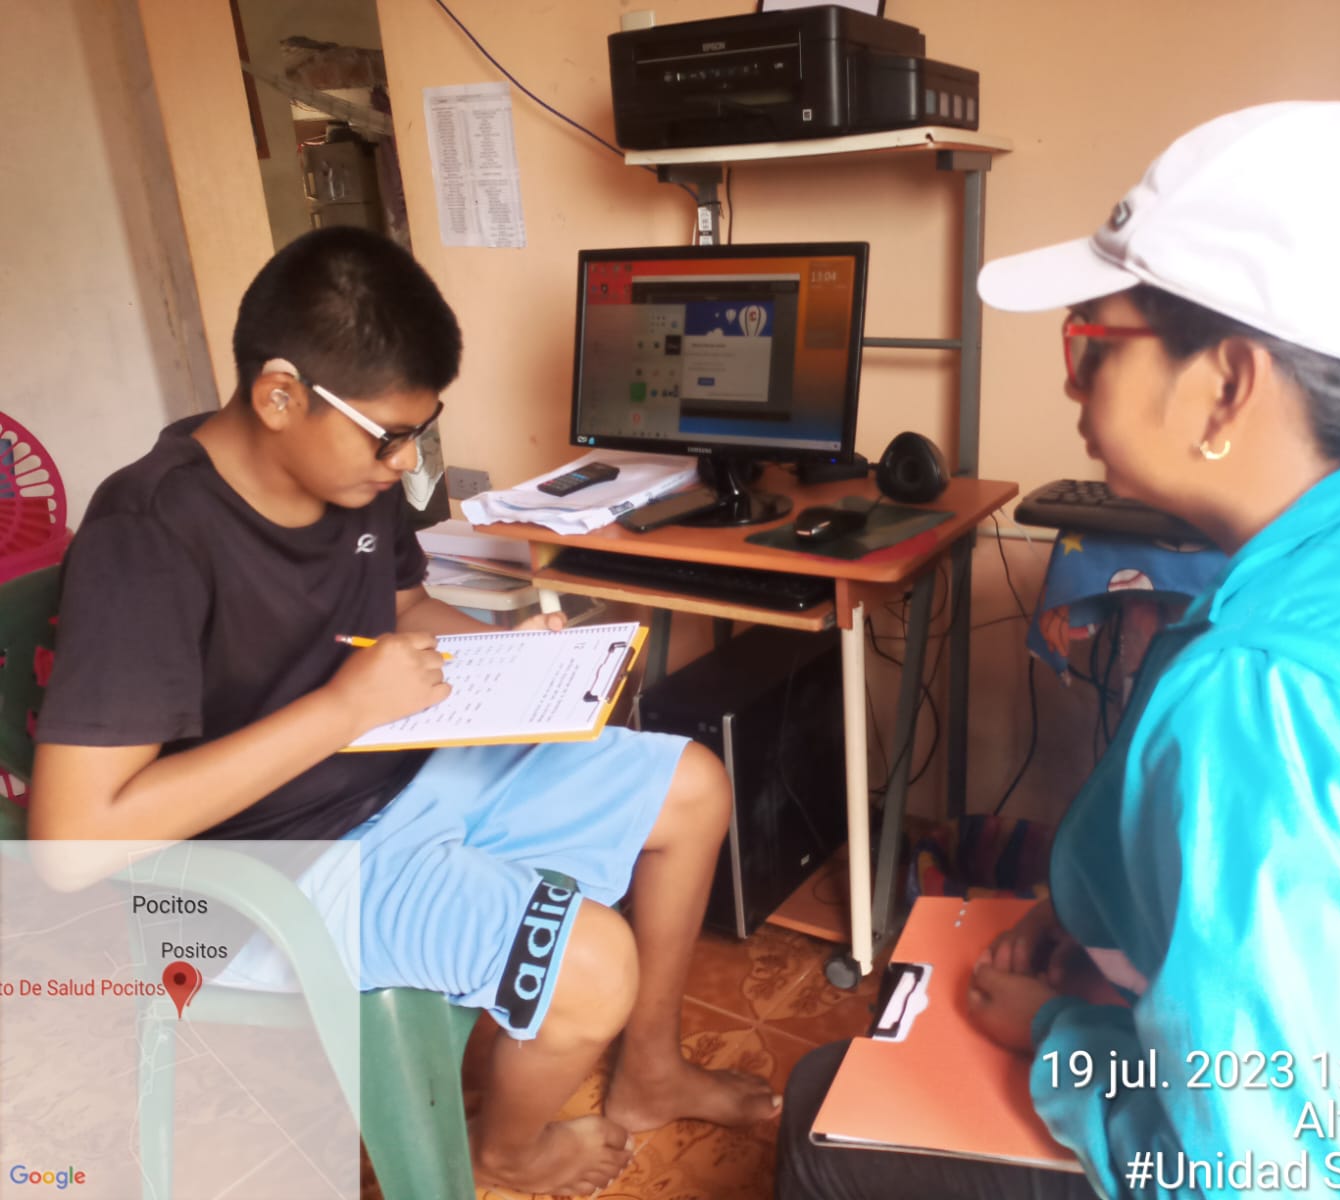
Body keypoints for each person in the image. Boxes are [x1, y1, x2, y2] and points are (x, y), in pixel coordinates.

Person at [778, 100, 1340, 1198]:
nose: (1071, 383)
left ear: (1226, 383)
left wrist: (1066, 1040)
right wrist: (1090, 923)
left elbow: (1270, 1176)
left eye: (1089, 344)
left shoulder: (1272, 691)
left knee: (819, 1115)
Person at [30, 226, 780, 1198]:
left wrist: (514, 654)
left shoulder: (351, 474)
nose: (405, 462)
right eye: (389, 435)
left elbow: (403, 610)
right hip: (283, 862)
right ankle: (505, 1152)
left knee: (691, 785)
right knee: (593, 966)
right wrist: (343, 711)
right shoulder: (149, 538)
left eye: (419, 432)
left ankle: (651, 1074)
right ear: (280, 394)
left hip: (404, 769)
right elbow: (73, 843)